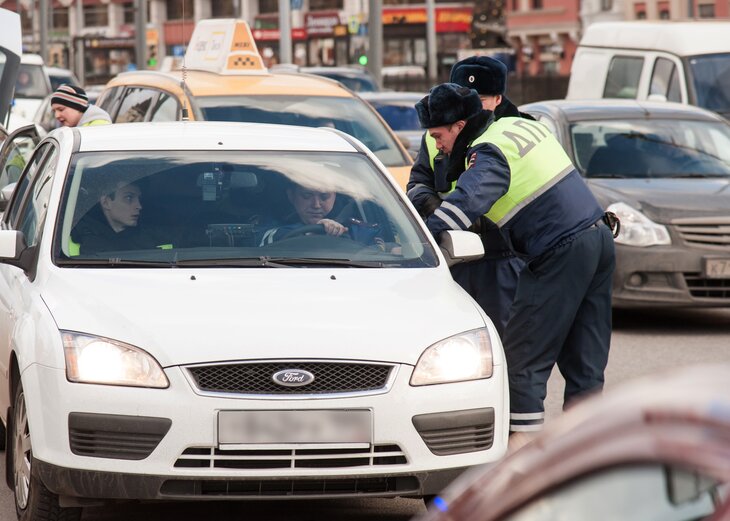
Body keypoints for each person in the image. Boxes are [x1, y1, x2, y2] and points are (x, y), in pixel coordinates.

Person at [416, 83, 616, 435]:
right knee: (585, 363)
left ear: (460, 126)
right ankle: (584, 456)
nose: (436, 145)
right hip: (598, 237)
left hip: (558, 249)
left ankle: (519, 464)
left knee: (521, 364)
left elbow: (464, 205)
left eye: (437, 135)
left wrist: (419, 248)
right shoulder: (521, 125)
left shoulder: (489, 149)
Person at [407, 56, 526, 337]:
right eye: (466, 94)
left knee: (503, 341)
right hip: (451, 252)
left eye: (482, 97)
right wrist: (435, 206)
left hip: (501, 255)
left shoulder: (512, 130)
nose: (473, 104)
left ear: (498, 99)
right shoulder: (438, 132)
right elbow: (417, 182)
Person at [72, 178, 160, 253]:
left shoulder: (147, 237)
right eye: (129, 198)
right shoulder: (80, 237)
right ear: (106, 202)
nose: (139, 206)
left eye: (139, 199)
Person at [259, 184, 348, 244]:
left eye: (324, 197)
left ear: (334, 196)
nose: (316, 205)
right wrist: (312, 234)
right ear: (291, 195)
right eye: (307, 196)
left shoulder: (353, 221)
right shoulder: (269, 220)